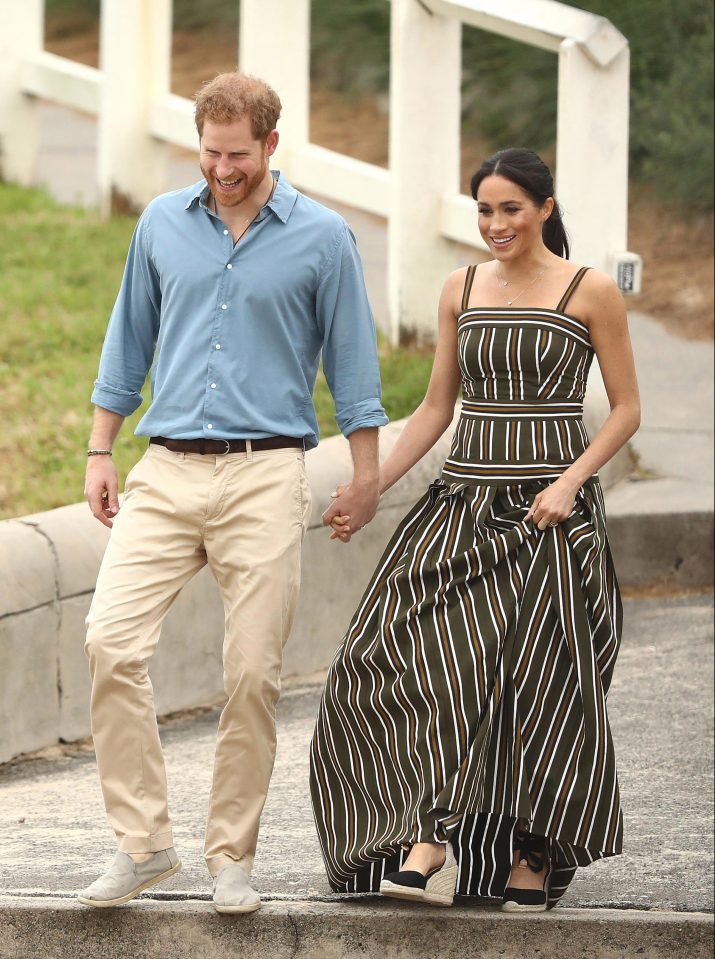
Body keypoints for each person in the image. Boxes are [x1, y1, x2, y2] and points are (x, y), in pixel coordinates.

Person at [79, 72, 387, 914]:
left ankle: (230, 858)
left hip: (264, 470)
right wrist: (100, 449)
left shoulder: (324, 238)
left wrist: (364, 478)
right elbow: (125, 343)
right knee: (109, 640)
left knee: (251, 673)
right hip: (167, 467)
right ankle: (143, 843)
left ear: (271, 146)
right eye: (210, 153)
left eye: (238, 155)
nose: (222, 169)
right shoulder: (160, 225)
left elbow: (354, 371)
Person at [311, 147, 640, 911]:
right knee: (386, 661)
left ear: (544, 209)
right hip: (460, 508)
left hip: (549, 519)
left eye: (510, 209)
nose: (495, 224)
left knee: (537, 683)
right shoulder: (459, 287)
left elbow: (625, 408)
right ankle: (426, 838)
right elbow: (434, 408)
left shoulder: (589, 290)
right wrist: (371, 487)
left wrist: (568, 481)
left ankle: (529, 851)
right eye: (484, 210)